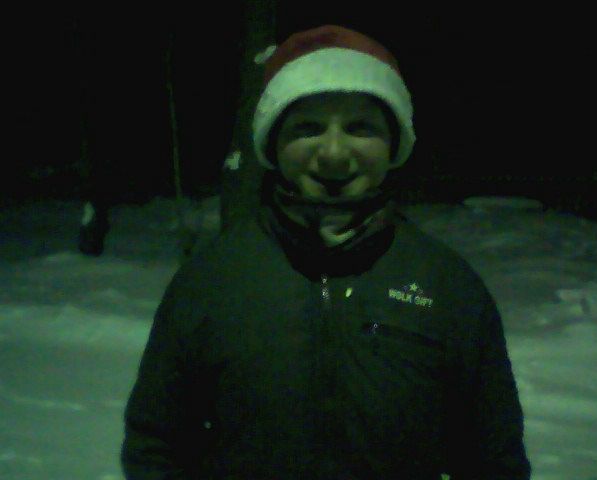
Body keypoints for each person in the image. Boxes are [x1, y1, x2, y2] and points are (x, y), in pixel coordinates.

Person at [121, 25, 531, 479]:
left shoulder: (446, 285)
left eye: (360, 127)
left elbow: (494, 460)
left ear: (393, 143)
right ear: (274, 144)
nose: (334, 153)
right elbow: (155, 445)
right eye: (308, 128)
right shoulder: (211, 278)